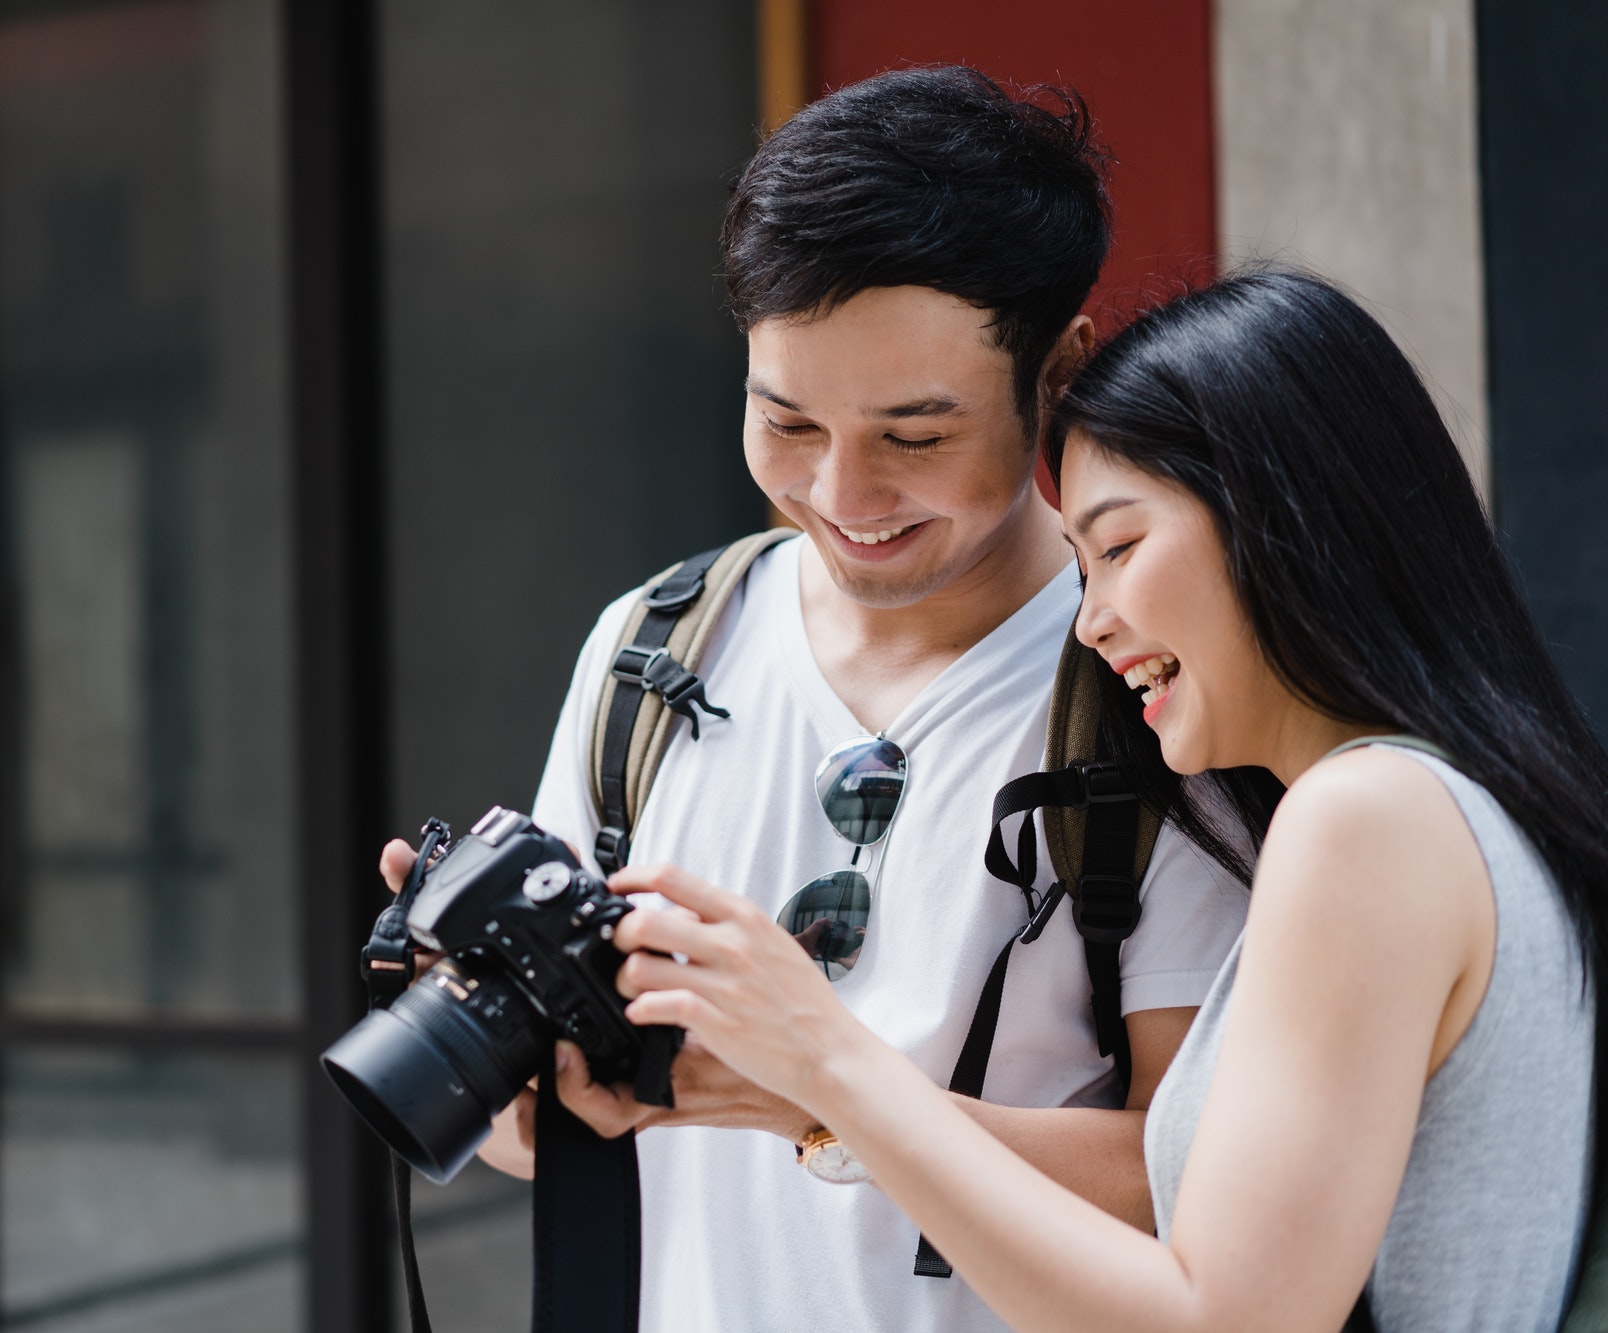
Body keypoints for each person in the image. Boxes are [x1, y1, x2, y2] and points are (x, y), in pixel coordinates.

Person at [382, 67, 1256, 1332]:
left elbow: (1202, 1185)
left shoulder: (1148, 678)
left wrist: (811, 1092)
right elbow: (578, 1130)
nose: (843, 493)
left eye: (913, 436)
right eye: (784, 420)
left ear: (1058, 372)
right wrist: (487, 1047)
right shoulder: (652, 648)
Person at [604, 269, 1603, 1331]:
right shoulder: (1449, 810)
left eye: (1120, 548)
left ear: (1282, 515)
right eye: (1080, 566)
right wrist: (810, 1093)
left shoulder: (1365, 819)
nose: (1092, 622)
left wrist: (832, 1055)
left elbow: (1214, 1317)